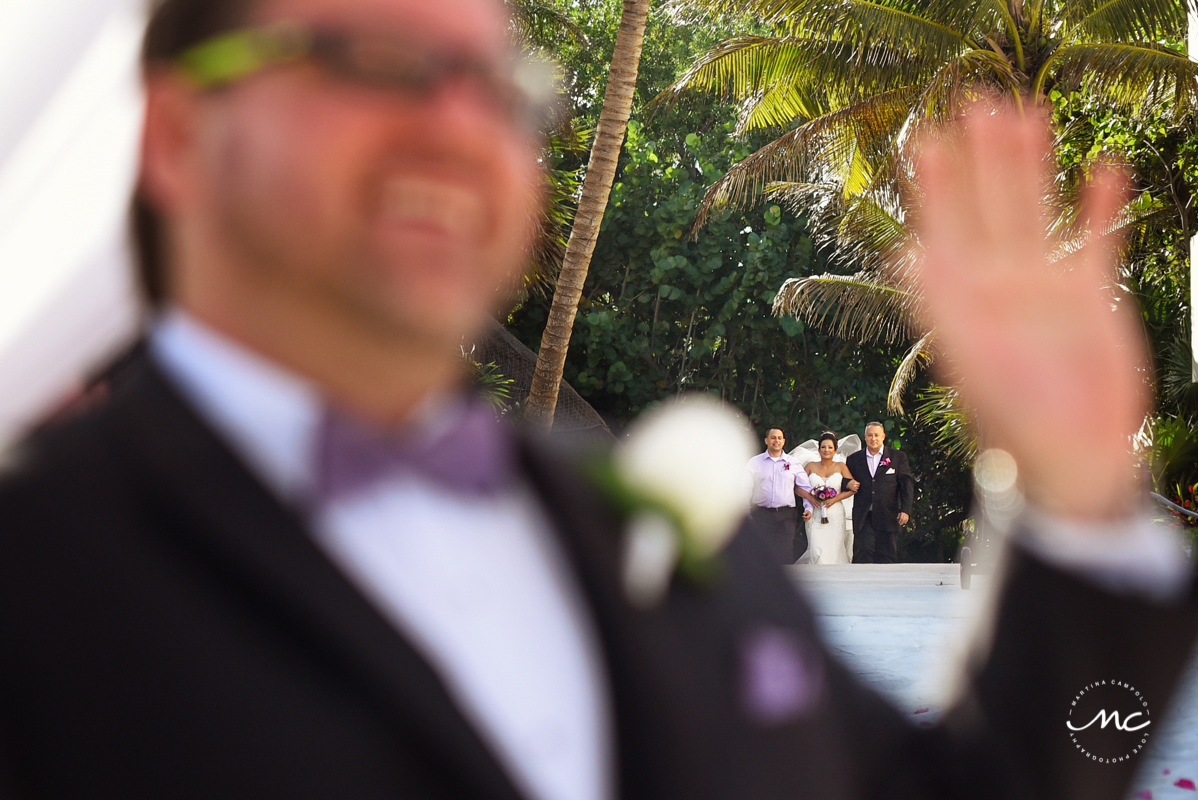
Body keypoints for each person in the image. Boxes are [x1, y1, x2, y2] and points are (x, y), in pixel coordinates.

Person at [0, 0, 1192, 795]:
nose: (458, 126)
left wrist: (1078, 499)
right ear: (174, 132)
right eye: (373, 62)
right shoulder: (37, 569)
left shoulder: (645, 531)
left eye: (494, 84)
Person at [846, 421, 914, 563]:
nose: (873, 438)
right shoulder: (854, 459)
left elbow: (906, 485)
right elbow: (844, 480)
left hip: (888, 514)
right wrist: (848, 483)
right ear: (865, 437)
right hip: (864, 515)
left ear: (883, 436)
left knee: (887, 555)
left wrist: (905, 510)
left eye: (876, 435)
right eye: (870, 435)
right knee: (864, 551)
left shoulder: (897, 457)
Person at [745, 426, 814, 564]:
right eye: (773, 438)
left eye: (779, 438)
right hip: (761, 514)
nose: (776, 441)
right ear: (766, 440)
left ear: (784, 441)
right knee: (762, 552)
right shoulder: (755, 462)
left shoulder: (793, 462)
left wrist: (808, 507)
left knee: (785, 551)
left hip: (786, 515)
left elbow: (805, 486)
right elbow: (745, 487)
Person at [800, 432, 856, 564]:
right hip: (815, 512)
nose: (827, 450)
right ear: (819, 449)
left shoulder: (841, 467)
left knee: (834, 551)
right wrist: (810, 497)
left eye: (830, 447)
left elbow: (852, 488)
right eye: (823, 447)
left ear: (835, 450)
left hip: (835, 513)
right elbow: (798, 487)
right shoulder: (810, 466)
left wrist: (835, 499)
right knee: (816, 550)